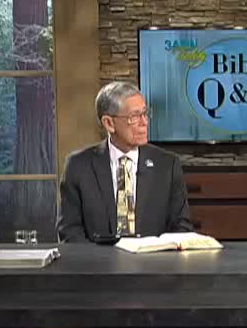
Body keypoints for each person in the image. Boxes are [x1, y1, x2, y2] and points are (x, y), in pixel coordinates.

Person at [57, 81, 193, 242]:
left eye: (145, 113)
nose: (144, 122)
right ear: (109, 123)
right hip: (97, 264)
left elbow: (181, 227)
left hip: (154, 264)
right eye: (134, 117)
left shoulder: (167, 165)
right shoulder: (78, 165)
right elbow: (70, 231)